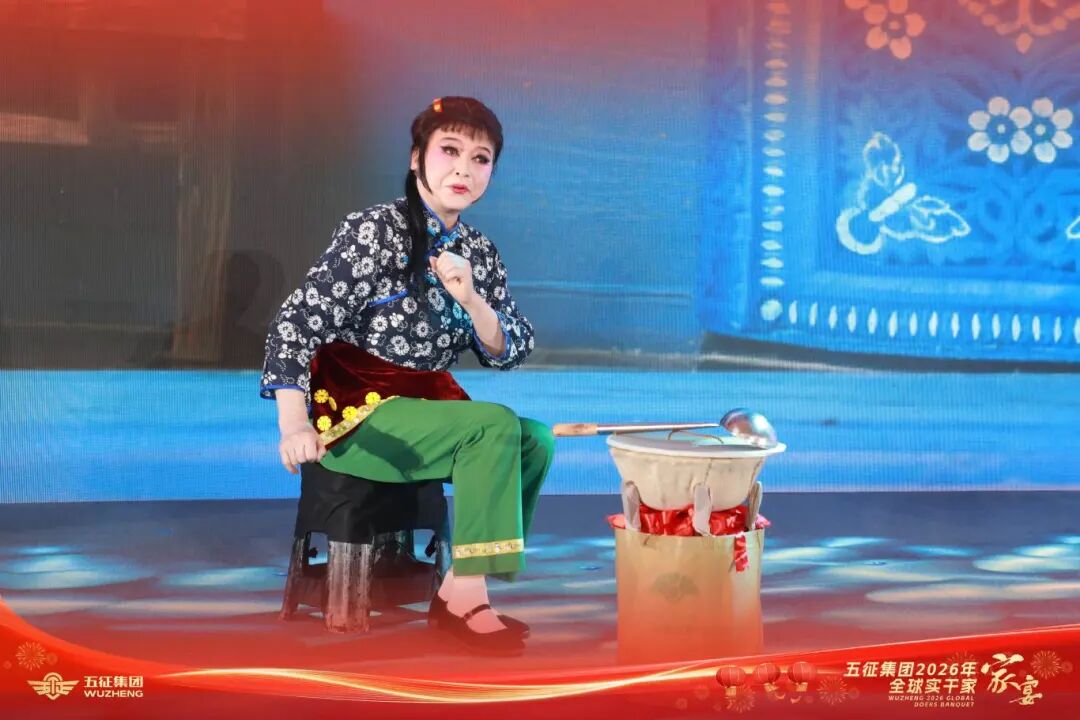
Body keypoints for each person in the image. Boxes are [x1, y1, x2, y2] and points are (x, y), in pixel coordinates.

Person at [260, 96, 553, 654]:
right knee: (494, 423)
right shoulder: (375, 231)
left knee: (533, 440)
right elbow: (296, 322)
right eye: (449, 151)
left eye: (481, 158)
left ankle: (461, 588)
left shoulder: (480, 253)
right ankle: (469, 604)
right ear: (417, 157)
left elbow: (510, 349)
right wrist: (292, 424)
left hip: (426, 412)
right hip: (359, 416)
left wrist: (472, 300)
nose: (464, 169)